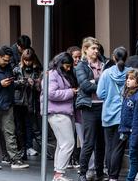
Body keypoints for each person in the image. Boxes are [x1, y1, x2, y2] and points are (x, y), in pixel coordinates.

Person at [97, 47, 132, 181]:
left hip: (107, 114)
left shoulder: (106, 73)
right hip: (123, 115)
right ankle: (113, 176)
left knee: (109, 146)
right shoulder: (130, 73)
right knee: (119, 147)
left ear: (113, 57)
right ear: (126, 57)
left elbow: (100, 94)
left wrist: (109, 97)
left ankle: (109, 172)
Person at [75, 37, 107, 181]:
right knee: (88, 142)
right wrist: (101, 82)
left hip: (104, 106)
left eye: (97, 48)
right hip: (89, 106)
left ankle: (99, 172)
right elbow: (86, 86)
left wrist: (94, 81)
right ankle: (82, 173)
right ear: (85, 50)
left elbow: (110, 83)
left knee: (101, 142)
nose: (96, 51)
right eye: (93, 48)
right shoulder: (81, 66)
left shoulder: (105, 63)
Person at [47, 52, 79, 181]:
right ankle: (59, 173)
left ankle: (58, 173)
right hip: (58, 112)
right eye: (66, 65)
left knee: (62, 143)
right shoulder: (53, 75)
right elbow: (52, 93)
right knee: (68, 143)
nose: (69, 68)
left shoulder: (56, 74)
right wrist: (70, 92)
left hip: (62, 112)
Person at [13, 48, 42, 159]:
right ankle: (22, 150)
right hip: (19, 102)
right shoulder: (17, 69)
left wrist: (34, 82)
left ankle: (39, 149)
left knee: (32, 127)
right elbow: (11, 83)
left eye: (29, 60)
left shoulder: (37, 70)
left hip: (32, 102)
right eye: (26, 60)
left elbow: (40, 86)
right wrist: (22, 82)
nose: (28, 62)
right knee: (19, 128)